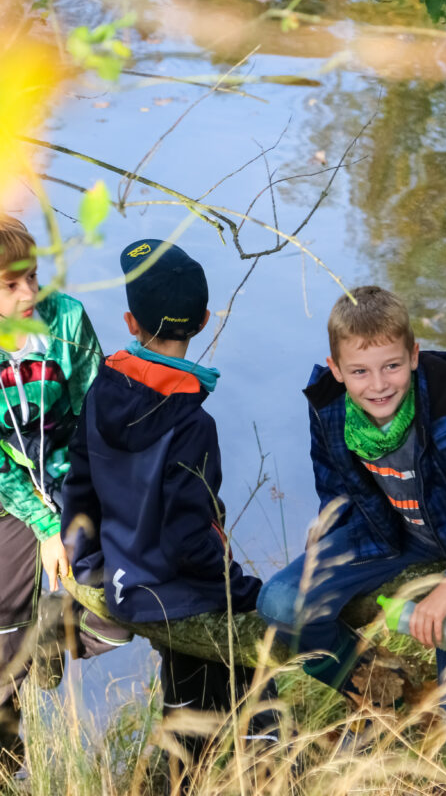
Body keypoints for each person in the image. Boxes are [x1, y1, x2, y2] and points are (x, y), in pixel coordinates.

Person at [258, 285, 446, 792]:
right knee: (282, 604)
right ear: (336, 368)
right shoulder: (329, 406)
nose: (378, 385)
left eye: (391, 366)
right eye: (360, 371)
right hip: (387, 537)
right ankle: (380, 691)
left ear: (413, 356)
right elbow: (336, 487)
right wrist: (325, 541)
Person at [60, 238, 278, 788]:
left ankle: (184, 775)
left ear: (131, 323)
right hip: (182, 591)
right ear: (204, 320)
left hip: (127, 582)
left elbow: (78, 492)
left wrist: (90, 569)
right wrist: (236, 588)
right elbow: (188, 535)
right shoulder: (191, 424)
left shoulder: (98, 394)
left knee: (187, 708)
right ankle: (271, 773)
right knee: (255, 677)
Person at [0, 215, 130, 775]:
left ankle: (50, 645)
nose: (30, 291)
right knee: (6, 621)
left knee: (122, 606)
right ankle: (9, 746)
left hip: (72, 480)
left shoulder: (67, 320)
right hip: (8, 491)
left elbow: (92, 418)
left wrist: (78, 506)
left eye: (31, 275)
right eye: (10, 284)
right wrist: (41, 523)